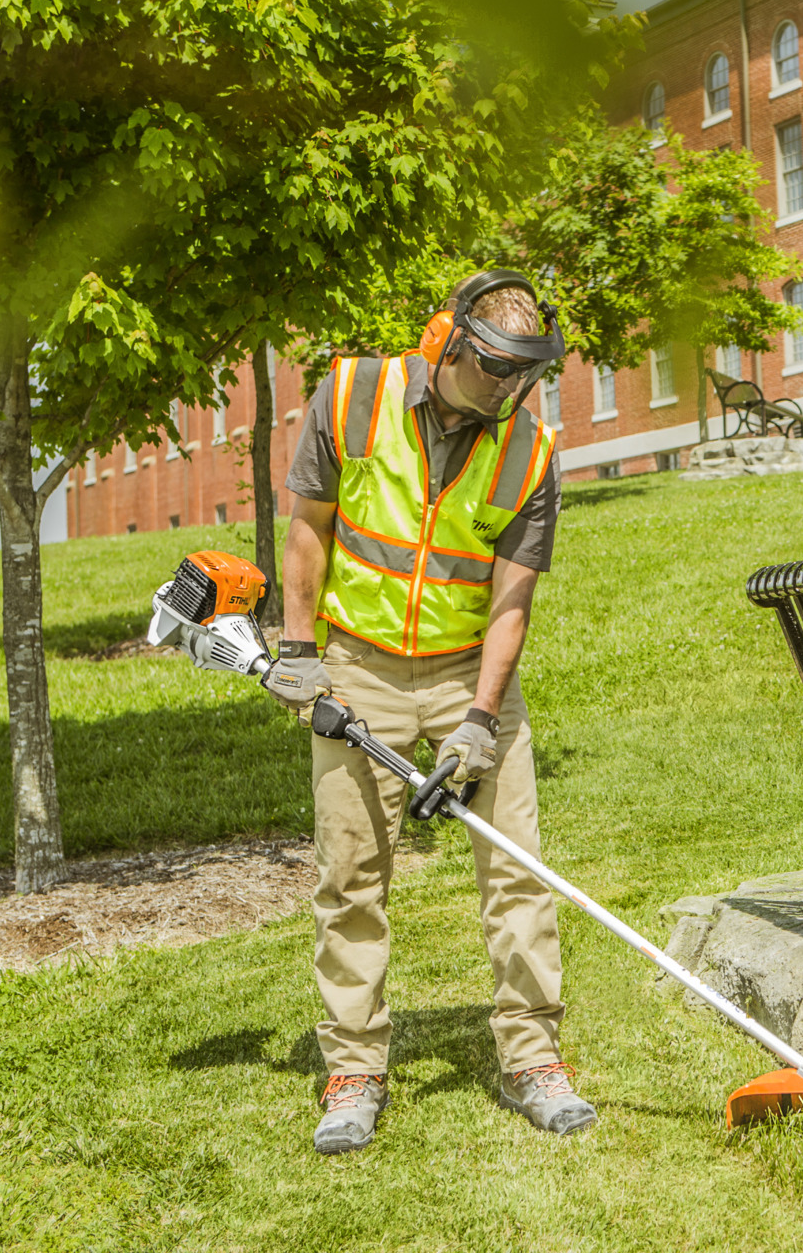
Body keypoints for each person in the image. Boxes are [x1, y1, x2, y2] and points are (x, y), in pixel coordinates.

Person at [263, 269, 589, 1155]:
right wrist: (299, 653)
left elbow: (511, 601)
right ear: (446, 341)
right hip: (358, 665)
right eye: (496, 370)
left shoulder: (530, 450)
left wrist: (482, 719)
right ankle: (355, 1066)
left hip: (466, 672)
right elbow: (307, 530)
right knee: (351, 873)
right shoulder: (350, 395)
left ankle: (533, 1057)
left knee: (517, 868)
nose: (512, 390)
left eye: (528, 374)